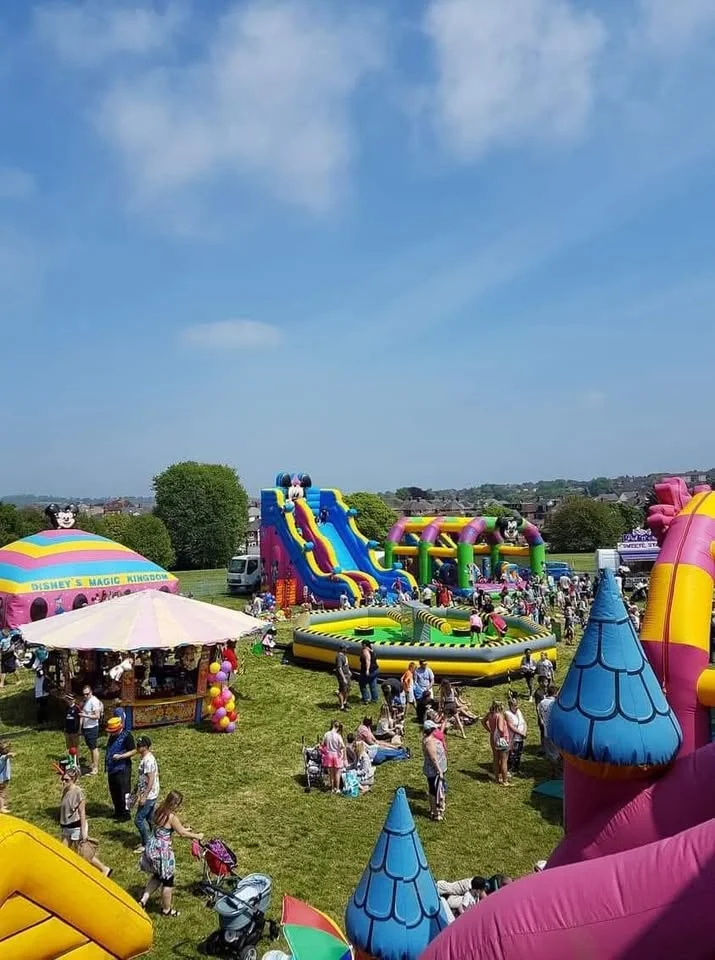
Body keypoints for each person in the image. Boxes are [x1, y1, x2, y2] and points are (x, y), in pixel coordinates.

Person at [139, 790, 203, 917]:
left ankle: (143, 900)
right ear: (176, 804)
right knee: (168, 881)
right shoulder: (172, 817)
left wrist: (183, 829)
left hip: (152, 847)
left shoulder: (159, 810)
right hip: (163, 852)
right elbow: (182, 833)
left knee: (157, 876)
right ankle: (167, 910)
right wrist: (197, 835)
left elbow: (169, 829)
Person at [58, 767, 112, 877]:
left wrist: (84, 834)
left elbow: (82, 814)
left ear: (74, 779)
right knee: (62, 851)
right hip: (66, 827)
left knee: (84, 853)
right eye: (63, 779)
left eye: (67, 780)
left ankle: (104, 869)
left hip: (76, 828)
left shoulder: (78, 793)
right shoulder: (65, 790)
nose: (64, 782)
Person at [105, 709, 135, 822]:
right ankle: (118, 811)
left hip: (123, 768)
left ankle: (126, 813)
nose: (111, 734)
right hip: (112, 768)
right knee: (114, 790)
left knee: (124, 791)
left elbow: (133, 751)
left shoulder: (127, 736)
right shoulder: (112, 736)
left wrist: (121, 756)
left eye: (113, 731)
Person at [134, 736, 160, 852]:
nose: (138, 747)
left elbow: (151, 779)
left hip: (149, 795)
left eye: (140, 745)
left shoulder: (148, 761)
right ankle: (156, 839)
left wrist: (144, 796)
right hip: (150, 793)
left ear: (145, 747)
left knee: (139, 819)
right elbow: (143, 778)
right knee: (150, 818)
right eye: (137, 745)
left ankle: (147, 843)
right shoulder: (145, 758)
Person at [422, 719, 447, 821]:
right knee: (435, 791)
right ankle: (436, 812)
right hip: (434, 771)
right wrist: (439, 770)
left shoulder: (427, 739)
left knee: (434, 789)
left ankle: (434, 810)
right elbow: (433, 758)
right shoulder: (430, 741)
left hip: (433, 770)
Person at [483, 700, 511, 786]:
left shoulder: (490, 714)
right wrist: (504, 733)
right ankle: (505, 780)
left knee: (495, 758)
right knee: (504, 760)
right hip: (500, 739)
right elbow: (500, 728)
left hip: (492, 738)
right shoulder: (500, 715)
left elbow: (483, 722)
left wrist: (489, 730)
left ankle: (496, 778)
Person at [79, 684, 103, 775]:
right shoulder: (86, 701)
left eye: (87, 694)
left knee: (93, 747)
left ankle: (96, 768)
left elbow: (97, 716)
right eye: (84, 694)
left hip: (92, 727)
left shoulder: (94, 701)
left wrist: (85, 715)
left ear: (91, 692)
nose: (85, 696)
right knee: (91, 747)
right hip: (86, 727)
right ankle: (93, 764)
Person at [538, 683, 561, 774]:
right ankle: (557, 772)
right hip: (555, 732)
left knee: (550, 753)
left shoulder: (541, 702)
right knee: (557, 753)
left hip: (546, 731)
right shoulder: (555, 703)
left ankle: (553, 771)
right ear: (555, 693)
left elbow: (540, 714)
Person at [320, 720, 346, 794]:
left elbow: (322, 744)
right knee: (337, 773)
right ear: (338, 728)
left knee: (331, 773)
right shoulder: (338, 736)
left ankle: (332, 788)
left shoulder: (326, 734)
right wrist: (339, 749)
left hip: (329, 755)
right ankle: (337, 789)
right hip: (336, 755)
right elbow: (342, 746)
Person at [505, 693, 527, 775]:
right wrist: (520, 732)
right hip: (513, 738)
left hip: (521, 737)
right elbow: (511, 726)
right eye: (514, 706)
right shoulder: (507, 713)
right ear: (510, 706)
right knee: (512, 754)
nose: (516, 707)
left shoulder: (518, 711)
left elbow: (524, 722)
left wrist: (524, 731)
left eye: (517, 705)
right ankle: (509, 769)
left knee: (519, 753)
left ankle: (516, 769)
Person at [414, 659, 435, 724]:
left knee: (430, 702)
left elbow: (432, 680)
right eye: (424, 664)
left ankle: (430, 716)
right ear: (420, 664)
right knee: (421, 703)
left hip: (428, 687)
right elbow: (415, 681)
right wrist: (419, 689)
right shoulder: (417, 671)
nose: (425, 665)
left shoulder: (429, 670)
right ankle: (421, 716)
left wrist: (429, 687)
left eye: (426, 664)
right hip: (421, 688)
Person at [358, 641, 379, 705]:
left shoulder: (365, 651)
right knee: (373, 684)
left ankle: (366, 698)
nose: (361, 646)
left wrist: (367, 670)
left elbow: (368, 660)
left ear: (364, 645)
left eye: (362, 644)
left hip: (368, 671)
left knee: (362, 684)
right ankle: (374, 699)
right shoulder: (372, 650)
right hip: (375, 669)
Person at [335, 645, 352, 711]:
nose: (347, 650)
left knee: (348, 689)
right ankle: (342, 706)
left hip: (347, 674)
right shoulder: (339, 657)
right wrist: (343, 678)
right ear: (343, 649)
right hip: (343, 676)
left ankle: (345, 702)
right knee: (342, 690)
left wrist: (349, 671)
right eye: (346, 649)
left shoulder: (345, 655)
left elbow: (346, 665)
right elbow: (339, 668)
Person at [0, 740, 15, 812]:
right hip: (1, 780)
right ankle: (1, 808)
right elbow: (7, 756)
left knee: (3, 792)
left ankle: (2, 805)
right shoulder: (3, 757)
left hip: (3, 779)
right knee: (1, 794)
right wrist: (10, 755)